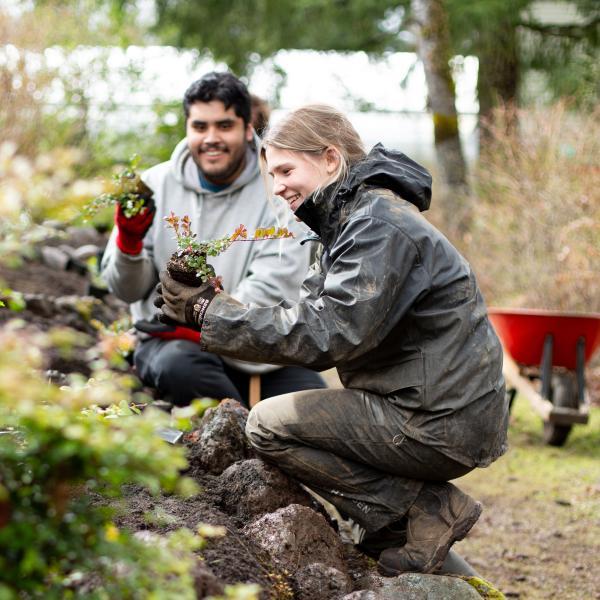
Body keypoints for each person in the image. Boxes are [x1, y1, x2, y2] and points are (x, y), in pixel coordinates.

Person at [156, 104, 509, 575]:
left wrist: (207, 314)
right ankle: (411, 531)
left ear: (329, 158)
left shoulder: (376, 226)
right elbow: (307, 315)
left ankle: (428, 509)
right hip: (432, 405)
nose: (277, 186)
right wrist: (221, 305)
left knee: (267, 424)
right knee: (313, 445)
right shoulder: (350, 220)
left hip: (438, 419)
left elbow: (328, 331)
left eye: (285, 169)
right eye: (271, 173)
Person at [101, 72, 325, 407]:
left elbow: (274, 288)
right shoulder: (155, 185)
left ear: (248, 128)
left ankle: (249, 431)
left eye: (224, 126)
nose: (211, 138)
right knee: (183, 369)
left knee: (312, 400)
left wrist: (201, 321)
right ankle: (245, 438)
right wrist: (129, 244)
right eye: (200, 126)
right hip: (171, 344)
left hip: (257, 352)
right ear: (188, 128)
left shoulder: (278, 190)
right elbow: (126, 289)